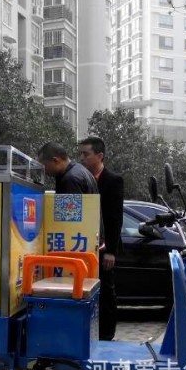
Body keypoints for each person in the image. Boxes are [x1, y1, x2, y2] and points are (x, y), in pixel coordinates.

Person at [79, 137, 124, 341]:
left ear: (100, 156)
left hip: (105, 248)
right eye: (80, 154)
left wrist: (112, 251)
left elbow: (115, 218)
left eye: (86, 154)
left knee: (106, 290)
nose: (82, 158)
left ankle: (107, 334)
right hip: (83, 244)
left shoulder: (113, 180)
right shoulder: (81, 179)